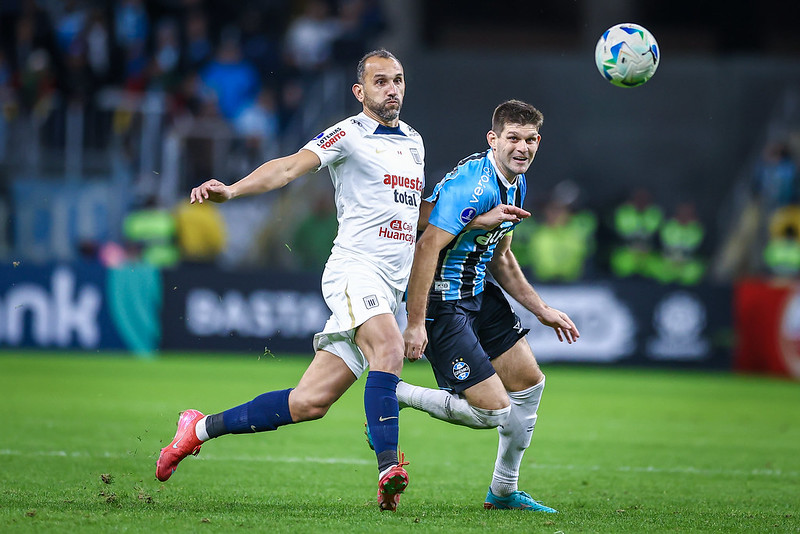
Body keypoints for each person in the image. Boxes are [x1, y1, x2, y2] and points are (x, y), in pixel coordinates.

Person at [155, 49, 424, 512]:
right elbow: (285, 168)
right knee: (390, 348)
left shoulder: (415, 141)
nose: (392, 88)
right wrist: (233, 190)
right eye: (380, 82)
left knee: (308, 403)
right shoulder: (348, 133)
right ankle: (388, 468)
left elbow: (410, 216)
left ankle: (196, 429)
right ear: (360, 92)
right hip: (354, 272)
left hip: (390, 287)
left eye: (398, 79)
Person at [390, 100, 580, 512]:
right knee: (492, 413)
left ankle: (503, 491)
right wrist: (415, 322)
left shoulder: (516, 180)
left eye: (530, 140)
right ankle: (394, 393)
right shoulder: (473, 187)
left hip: (479, 290)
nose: (522, 147)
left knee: (530, 383)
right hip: (443, 298)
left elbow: (502, 256)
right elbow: (426, 247)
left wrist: (542, 309)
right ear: (493, 140)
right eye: (513, 138)